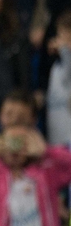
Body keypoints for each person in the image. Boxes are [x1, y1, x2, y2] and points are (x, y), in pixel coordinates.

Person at [46, 10, 71, 145]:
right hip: (55, 136)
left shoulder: (66, 61)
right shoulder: (56, 66)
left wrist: (65, 50)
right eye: (60, 36)